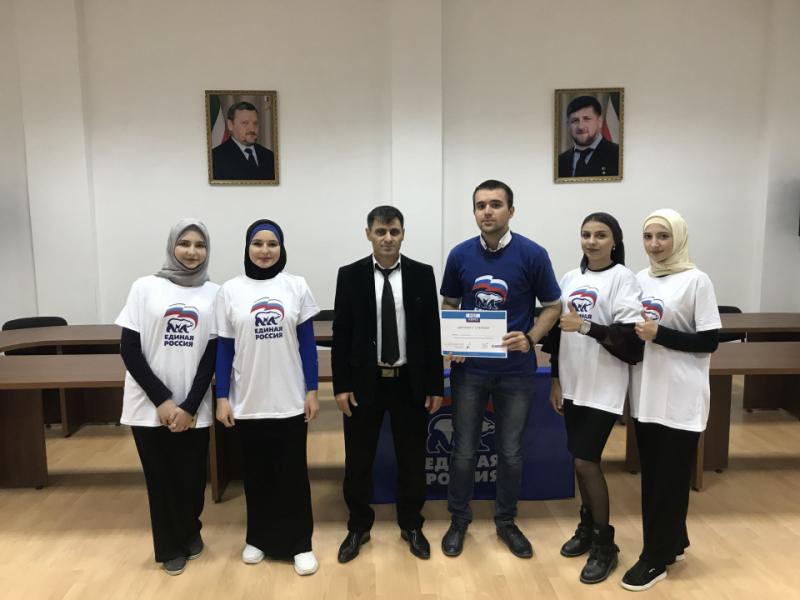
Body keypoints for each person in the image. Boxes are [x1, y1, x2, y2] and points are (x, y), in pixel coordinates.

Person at [440, 179, 562, 558]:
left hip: (516, 372)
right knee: (463, 450)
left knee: (510, 452)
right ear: (474, 212)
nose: (488, 211)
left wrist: (531, 337)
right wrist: (454, 341)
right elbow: (449, 302)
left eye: (495, 204)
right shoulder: (460, 255)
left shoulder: (533, 254)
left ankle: (506, 522)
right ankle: (459, 519)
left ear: (511, 210)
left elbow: (554, 306)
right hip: (470, 371)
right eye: (481, 205)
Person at [332, 206, 443, 563]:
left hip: (409, 383)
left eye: (394, 231)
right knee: (358, 458)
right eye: (380, 232)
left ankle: (411, 524)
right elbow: (341, 334)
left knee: (412, 458)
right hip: (365, 383)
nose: (388, 238)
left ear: (403, 234)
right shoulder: (350, 275)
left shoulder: (422, 274)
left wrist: (435, 385)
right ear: (368, 234)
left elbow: (431, 332)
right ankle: (358, 526)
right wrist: (341, 386)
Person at [214, 219, 320, 576]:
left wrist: (311, 390)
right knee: (256, 475)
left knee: (292, 475)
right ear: (247, 248)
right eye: (257, 243)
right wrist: (222, 396)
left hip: (290, 398)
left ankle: (301, 544)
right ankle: (258, 538)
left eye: (272, 244)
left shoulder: (296, 286)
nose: (264, 250)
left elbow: (307, 344)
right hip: (248, 399)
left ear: (281, 248)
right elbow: (224, 349)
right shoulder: (230, 290)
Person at [622, 208, 721, 591]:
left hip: (680, 396)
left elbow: (709, 341)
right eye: (648, 236)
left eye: (663, 236)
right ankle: (674, 542)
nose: (654, 244)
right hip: (647, 393)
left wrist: (658, 334)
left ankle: (654, 558)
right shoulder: (639, 279)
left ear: (678, 238)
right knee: (655, 477)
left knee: (670, 479)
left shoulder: (697, 280)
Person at [542, 213, 643, 584]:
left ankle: (605, 544)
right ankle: (587, 528)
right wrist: (556, 379)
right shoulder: (571, 278)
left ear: (614, 241)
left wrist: (584, 325)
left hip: (604, 387)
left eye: (601, 235)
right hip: (573, 384)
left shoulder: (623, 279)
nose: (592, 241)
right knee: (579, 459)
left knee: (586, 462)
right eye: (586, 234)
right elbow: (558, 336)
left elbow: (629, 340)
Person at [116, 218, 218, 576]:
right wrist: (162, 400)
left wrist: (189, 406)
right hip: (149, 405)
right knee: (161, 480)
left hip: (193, 405)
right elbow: (129, 348)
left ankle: (190, 530)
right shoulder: (144, 287)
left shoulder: (215, 293)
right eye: (184, 243)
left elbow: (212, 354)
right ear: (172, 246)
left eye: (200, 245)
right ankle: (169, 547)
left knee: (192, 478)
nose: (192, 251)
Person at [557, 95, 619, 178]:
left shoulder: (617, 155)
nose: (580, 127)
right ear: (568, 125)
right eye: (575, 120)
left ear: (600, 122)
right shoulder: (560, 160)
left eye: (586, 119)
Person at [211, 101, 276, 181]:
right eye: (245, 123)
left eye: (255, 123)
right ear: (230, 125)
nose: (252, 129)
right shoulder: (216, 158)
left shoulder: (269, 156)